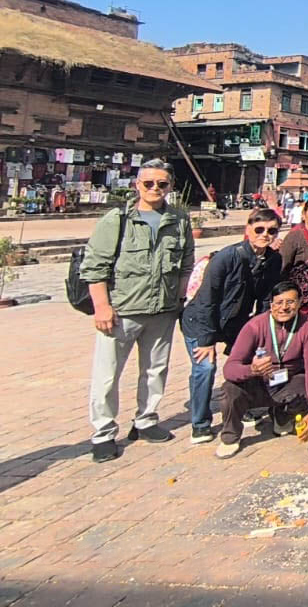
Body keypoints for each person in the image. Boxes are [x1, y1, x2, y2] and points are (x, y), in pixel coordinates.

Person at [83, 160, 195, 462]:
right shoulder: (117, 219)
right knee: (107, 377)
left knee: (155, 371)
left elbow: (186, 265)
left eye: (162, 184)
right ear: (137, 185)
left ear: (170, 187)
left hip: (162, 310)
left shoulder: (179, 220)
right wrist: (102, 307)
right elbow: (95, 268)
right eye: (149, 183)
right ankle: (104, 432)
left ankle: (146, 420)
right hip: (122, 311)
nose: (155, 189)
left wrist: (179, 298)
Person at [180, 208, 282, 444]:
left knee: (250, 361)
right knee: (205, 367)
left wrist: (263, 333)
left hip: (235, 321)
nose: (265, 235)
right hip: (202, 319)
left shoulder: (273, 259)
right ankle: (200, 422)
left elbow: (266, 299)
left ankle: (244, 406)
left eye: (271, 231)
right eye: (259, 229)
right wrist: (207, 340)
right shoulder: (227, 257)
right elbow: (207, 297)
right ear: (248, 229)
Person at [216, 282, 308, 459]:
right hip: (258, 382)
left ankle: (281, 417)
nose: (284, 307)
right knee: (230, 389)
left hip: (287, 382)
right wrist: (252, 369)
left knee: (307, 385)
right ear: (271, 304)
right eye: (279, 302)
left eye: (290, 302)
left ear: (299, 303)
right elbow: (229, 369)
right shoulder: (255, 326)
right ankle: (230, 436)